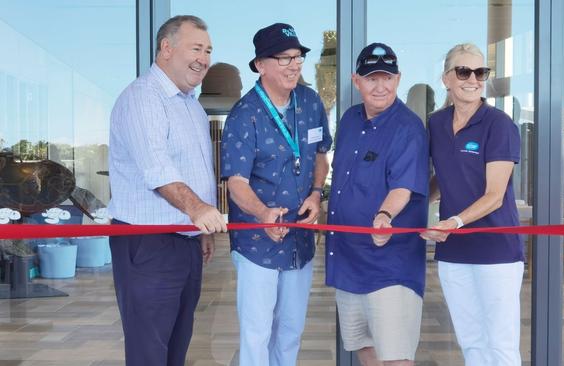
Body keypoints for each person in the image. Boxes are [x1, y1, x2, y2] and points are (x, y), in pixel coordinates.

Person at [107, 15, 227, 366]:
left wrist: (198, 229)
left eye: (208, 51)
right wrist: (198, 211)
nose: (203, 58)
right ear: (166, 48)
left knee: (176, 346)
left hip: (184, 241)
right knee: (150, 350)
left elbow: (198, 171)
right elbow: (157, 169)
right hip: (148, 244)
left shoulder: (190, 104)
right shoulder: (144, 97)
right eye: (195, 48)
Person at [220, 23, 332, 366]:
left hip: (299, 241)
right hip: (258, 243)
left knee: (291, 329)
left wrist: (315, 194)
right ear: (260, 65)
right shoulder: (244, 114)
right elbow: (235, 181)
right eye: (283, 58)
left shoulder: (310, 101)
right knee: (257, 333)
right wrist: (262, 214)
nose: (294, 65)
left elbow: (319, 156)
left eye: (297, 57)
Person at [325, 42, 429, 366]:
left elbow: (403, 187)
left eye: (387, 78)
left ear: (398, 80)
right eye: (372, 78)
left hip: (390, 265)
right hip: (348, 260)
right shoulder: (349, 120)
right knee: (363, 346)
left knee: (395, 355)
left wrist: (384, 215)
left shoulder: (409, 128)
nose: (380, 86)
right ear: (357, 81)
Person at [421, 43, 524, 366]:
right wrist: (415, 203)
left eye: (481, 72)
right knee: (471, 341)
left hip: (497, 250)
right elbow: (442, 177)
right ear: (446, 79)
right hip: (454, 252)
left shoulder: (499, 124)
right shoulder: (436, 124)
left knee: (501, 344)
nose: (473, 79)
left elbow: (495, 194)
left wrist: (453, 222)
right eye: (464, 71)